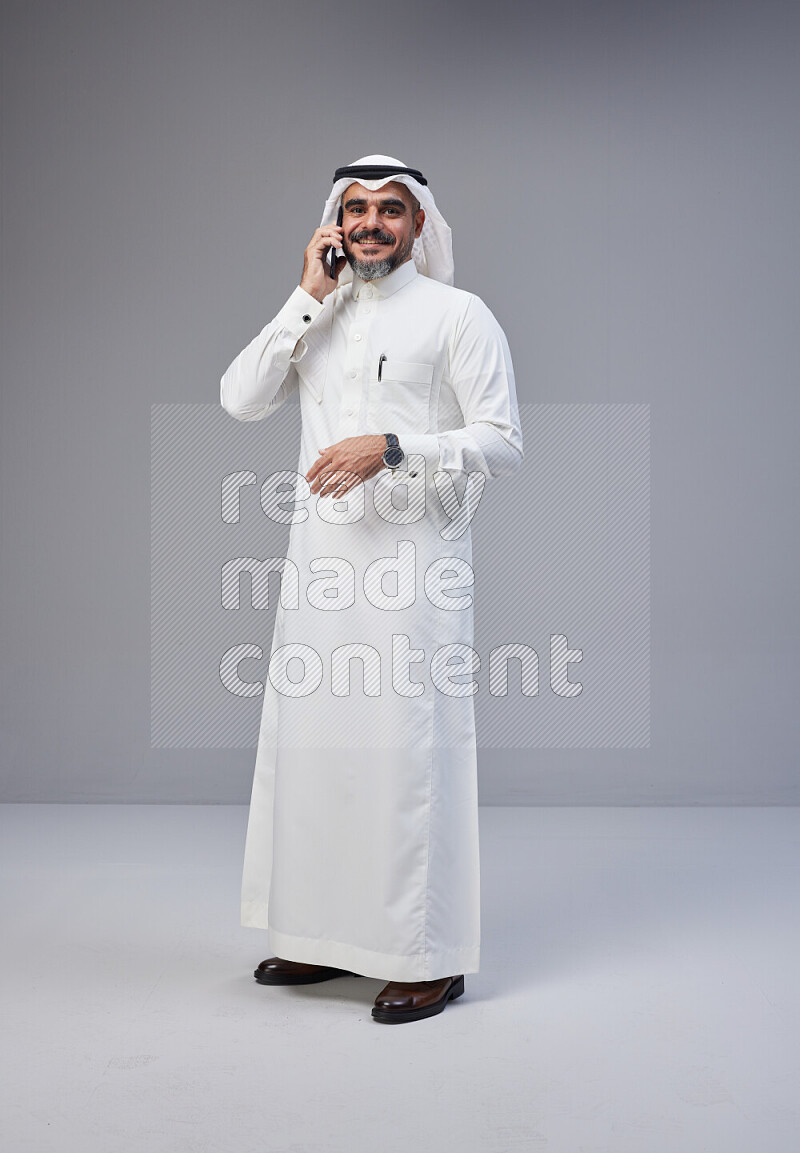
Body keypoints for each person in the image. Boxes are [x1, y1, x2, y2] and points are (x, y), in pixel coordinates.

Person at [220, 154, 523, 1024]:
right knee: (319, 752)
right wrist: (305, 295)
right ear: (335, 223)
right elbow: (241, 398)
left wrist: (393, 446)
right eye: (356, 210)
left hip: (413, 568)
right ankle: (323, 936)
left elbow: (503, 439)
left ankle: (427, 957)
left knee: (406, 758)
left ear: (420, 224)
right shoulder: (319, 311)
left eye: (392, 210)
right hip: (322, 568)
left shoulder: (458, 315)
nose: (372, 224)